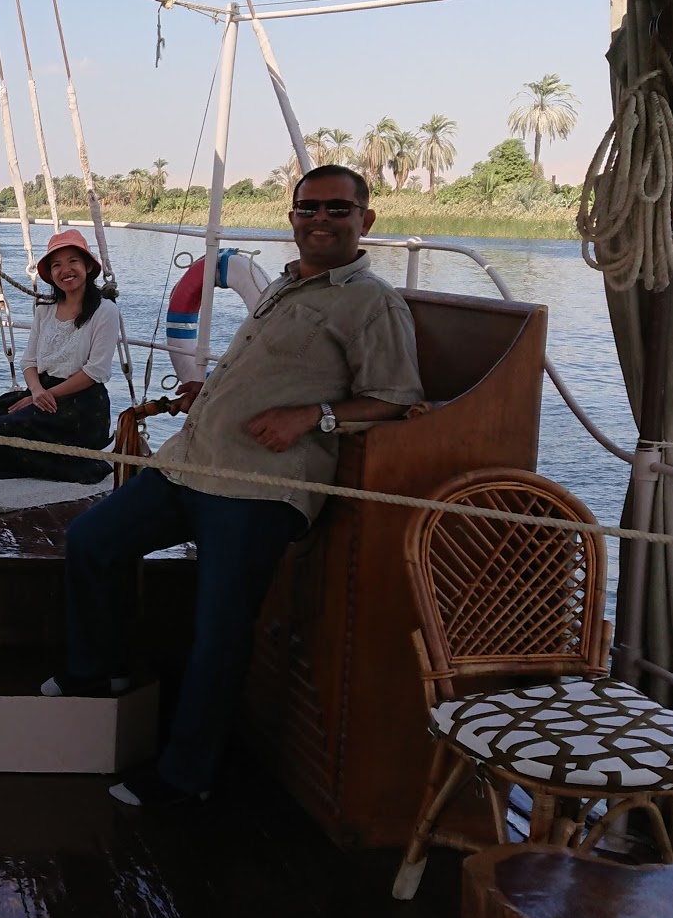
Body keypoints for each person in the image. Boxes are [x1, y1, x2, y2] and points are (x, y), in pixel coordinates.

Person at [47, 166, 424, 807]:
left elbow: (396, 398)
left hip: (259, 486)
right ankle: (96, 671)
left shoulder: (372, 302)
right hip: (193, 461)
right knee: (91, 541)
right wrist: (208, 390)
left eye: (337, 209)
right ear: (293, 218)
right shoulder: (285, 284)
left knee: (219, 628)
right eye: (308, 208)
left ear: (366, 219)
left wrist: (313, 416)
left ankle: (184, 777)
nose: (321, 219)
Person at [0, 229, 123, 483]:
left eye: (73, 261)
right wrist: (36, 392)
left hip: (81, 403)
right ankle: (55, 461)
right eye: (56, 265)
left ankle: (83, 465)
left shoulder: (105, 311)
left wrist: (45, 396)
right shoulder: (45, 311)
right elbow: (29, 362)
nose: (65, 270)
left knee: (3, 430)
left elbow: (96, 371)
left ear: (88, 266)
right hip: (42, 392)